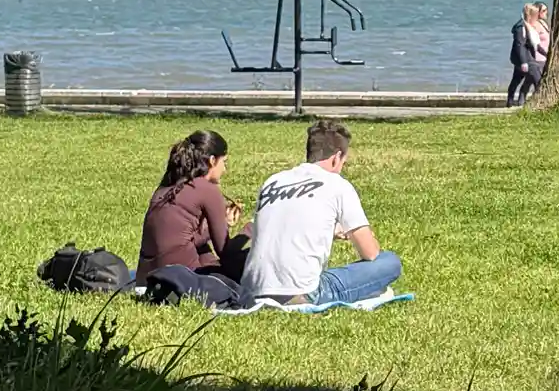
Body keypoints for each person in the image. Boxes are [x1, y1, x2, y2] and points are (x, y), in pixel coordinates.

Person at [238, 120, 403, 307]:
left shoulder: (273, 181)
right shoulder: (337, 184)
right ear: (337, 157)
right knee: (389, 262)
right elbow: (370, 253)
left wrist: (329, 230)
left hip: (252, 291)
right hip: (303, 293)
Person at [137, 128, 250, 302]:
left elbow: (182, 239)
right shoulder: (208, 190)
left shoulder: (169, 185)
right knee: (243, 264)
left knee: (205, 252)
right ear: (212, 161)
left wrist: (224, 222)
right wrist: (250, 230)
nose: (225, 169)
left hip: (145, 280)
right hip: (181, 280)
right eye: (224, 162)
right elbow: (225, 252)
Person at [507, 0, 549, 106]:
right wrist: (523, 62)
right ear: (530, 15)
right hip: (525, 59)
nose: (536, 18)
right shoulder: (521, 27)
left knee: (517, 80)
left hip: (527, 57)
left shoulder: (529, 27)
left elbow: (535, 45)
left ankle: (512, 101)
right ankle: (538, 103)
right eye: (535, 15)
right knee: (538, 80)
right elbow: (519, 45)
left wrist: (546, 54)